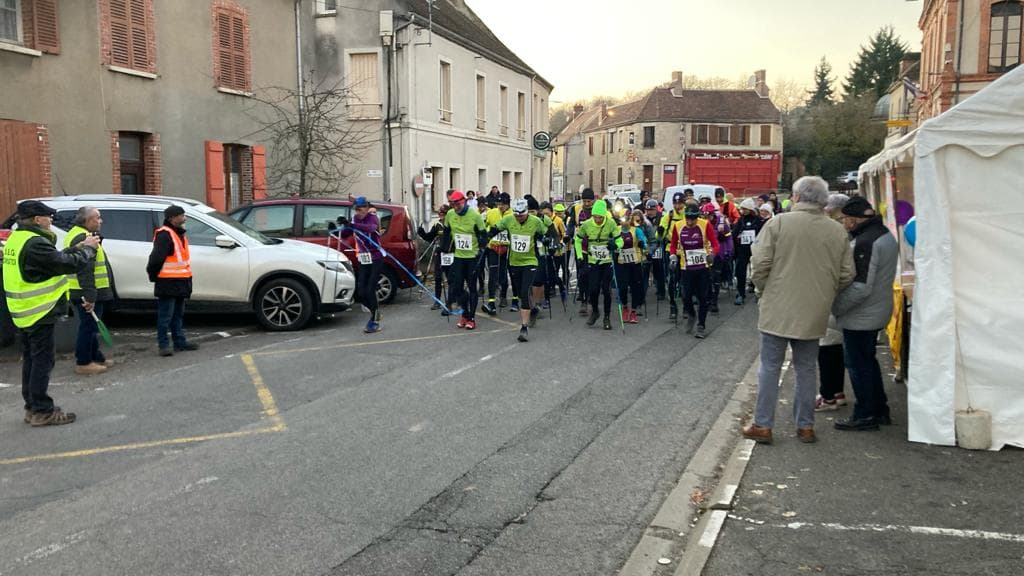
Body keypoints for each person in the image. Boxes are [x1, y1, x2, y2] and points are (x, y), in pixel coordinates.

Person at [742, 176, 854, 445]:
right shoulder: (836, 230)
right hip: (815, 307)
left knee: (769, 366)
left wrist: (762, 290)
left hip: (777, 304)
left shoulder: (778, 223)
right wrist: (826, 291)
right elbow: (847, 273)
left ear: (796, 196)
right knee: (806, 368)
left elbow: (759, 264)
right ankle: (805, 425)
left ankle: (763, 424)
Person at [4, 200, 99, 426]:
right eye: (48, 217)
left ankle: (32, 406)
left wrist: (75, 249)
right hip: (39, 311)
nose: (51, 221)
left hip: (23, 311)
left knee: (32, 359)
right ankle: (42, 410)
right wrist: (87, 249)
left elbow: (51, 261)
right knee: (42, 362)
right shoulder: (35, 243)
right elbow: (65, 264)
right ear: (38, 220)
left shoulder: (18, 239)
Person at [831, 196, 899, 431]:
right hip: (878, 307)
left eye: (844, 219)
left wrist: (836, 307)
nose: (843, 224)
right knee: (867, 362)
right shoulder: (883, 234)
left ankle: (866, 414)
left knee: (858, 364)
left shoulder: (865, 242)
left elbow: (860, 286)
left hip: (862, 314)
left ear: (852, 219)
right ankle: (879, 408)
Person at [65, 206, 114, 375]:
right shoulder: (83, 237)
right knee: (88, 327)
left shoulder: (79, 234)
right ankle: (83, 361)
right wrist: (90, 296)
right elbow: (85, 270)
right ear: (86, 221)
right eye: (97, 218)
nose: (100, 221)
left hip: (85, 290)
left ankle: (96, 357)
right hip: (86, 292)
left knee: (91, 326)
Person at [492, 198, 549, 342]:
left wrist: (547, 241)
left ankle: (524, 327)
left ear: (526, 212)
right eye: (516, 215)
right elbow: (495, 229)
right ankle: (534, 309)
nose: (518, 217)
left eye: (521, 215)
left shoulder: (536, 221)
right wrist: (484, 236)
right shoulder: (509, 220)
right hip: (514, 262)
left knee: (524, 291)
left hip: (530, 261)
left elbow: (547, 233)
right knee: (519, 291)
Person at [147, 205, 199, 356]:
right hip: (168, 282)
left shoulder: (178, 233)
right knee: (166, 316)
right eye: (181, 215)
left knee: (177, 315)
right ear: (172, 218)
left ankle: (179, 342)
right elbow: (156, 259)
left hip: (180, 281)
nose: (184, 218)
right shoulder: (165, 234)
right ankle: (164, 345)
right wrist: (153, 276)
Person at [816, 193, 851, 411]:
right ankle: (836, 392)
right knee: (835, 349)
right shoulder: (844, 233)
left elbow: (843, 272)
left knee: (827, 350)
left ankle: (828, 396)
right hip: (838, 300)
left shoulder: (836, 234)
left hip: (831, 298)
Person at [337, 196, 385, 333]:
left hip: (376, 258)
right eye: (356, 209)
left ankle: (374, 319)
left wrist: (352, 225)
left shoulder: (372, 217)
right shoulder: (355, 219)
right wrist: (340, 227)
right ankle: (374, 312)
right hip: (364, 258)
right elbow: (347, 233)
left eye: (361, 208)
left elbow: (370, 228)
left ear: (366, 207)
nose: (359, 212)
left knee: (370, 289)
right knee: (361, 291)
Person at [669, 203, 717, 337]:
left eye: (693, 219)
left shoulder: (705, 224)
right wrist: (672, 256)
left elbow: (715, 244)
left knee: (703, 297)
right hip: (686, 267)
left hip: (703, 266)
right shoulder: (678, 226)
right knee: (686, 296)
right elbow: (673, 245)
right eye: (687, 218)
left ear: (697, 217)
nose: (690, 222)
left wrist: (712, 255)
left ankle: (701, 325)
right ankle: (691, 314)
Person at [443, 190, 488, 330]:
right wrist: (443, 249)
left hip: (472, 257)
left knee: (472, 286)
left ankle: (471, 318)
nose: (455, 207)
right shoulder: (450, 215)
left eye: (457, 204)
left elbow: (483, 235)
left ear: (464, 201)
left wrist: (481, 250)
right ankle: (465, 313)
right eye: (452, 204)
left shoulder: (475, 215)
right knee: (456, 287)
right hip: (459, 256)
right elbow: (446, 233)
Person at [574, 200, 622, 330]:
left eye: (600, 217)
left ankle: (607, 317)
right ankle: (595, 311)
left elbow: (620, 240)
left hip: (606, 262)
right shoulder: (587, 224)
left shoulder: (611, 223)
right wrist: (579, 256)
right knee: (593, 290)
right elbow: (577, 239)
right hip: (593, 261)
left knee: (606, 290)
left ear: (604, 215)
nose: (598, 219)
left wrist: (615, 245)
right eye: (595, 216)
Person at [658, 192, 690, 321]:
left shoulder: (688, 214)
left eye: (680, 203)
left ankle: (686, 307)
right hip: (670, 250)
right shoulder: (668, 216)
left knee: (686, 281)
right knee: (672, 280)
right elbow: (659, 235)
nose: (678, 206)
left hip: (686, 251)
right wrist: (660, 232)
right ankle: (673, 307)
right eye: (676, 203)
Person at [418, 204, 454, 315]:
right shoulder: (437, 224)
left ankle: (452, 300)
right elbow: (430, 237)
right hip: (440, 254)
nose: (440, 215)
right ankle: (437, 301)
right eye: (439, 213)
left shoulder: (453, 224)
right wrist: (421, 232)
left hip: (451, 254)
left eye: (442, 213)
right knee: (438, 278)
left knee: (451, 279)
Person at [566, 188, 597, 315]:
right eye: (585, 201)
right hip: (581, 246)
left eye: (589, 201)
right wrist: (568, 234)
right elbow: (571, 224)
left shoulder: (598, 210)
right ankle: (583, 299)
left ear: (593, 201)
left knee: (592, 275)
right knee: (582, 274)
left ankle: (590, 298)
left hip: (595, 247)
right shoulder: (577, 209)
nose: (587, 204)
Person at [482, 193, 512, 314]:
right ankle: (491, 301)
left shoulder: (513, 214)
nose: (500, 207)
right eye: (498, 204)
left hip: (507, 248)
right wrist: (485, 236)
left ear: (508, 204)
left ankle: (503, 296)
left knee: (502, 275)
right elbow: (484, 226)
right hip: (493, 248)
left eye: (503, 204)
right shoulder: (491, 212)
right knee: (492, 273)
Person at [616, 210, 648, 323]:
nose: (625, 221)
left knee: (636, 287)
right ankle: (625, 307)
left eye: (627, 218)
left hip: (635, 262)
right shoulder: (617, 230)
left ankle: (633, 311)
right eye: (622, 218)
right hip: (622, 263)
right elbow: (612, 241)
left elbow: (644, 241)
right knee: (623, 287)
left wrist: (642, 244)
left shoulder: (636, 230)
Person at [731, 198, 763, 306]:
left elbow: (762, 235)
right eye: (742, 209)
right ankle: (740, 293)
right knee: (741, 272)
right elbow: (734, 234)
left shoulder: (758, 220)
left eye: (745, 209)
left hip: (755, 250)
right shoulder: (741, 220)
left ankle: (758, 292)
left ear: (750, 209)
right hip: (742, 250)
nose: (743, 211)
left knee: (757, 271)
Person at [643, 199, 666, 301]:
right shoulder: (643, 219)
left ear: (656, 209)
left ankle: (661, 291)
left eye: (652, 210)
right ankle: (642, 293)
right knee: (645, 272)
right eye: (648, 210)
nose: (650, 212)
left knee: (659, 271)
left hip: (658, 247)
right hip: (647, 247)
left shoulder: (662, 218)